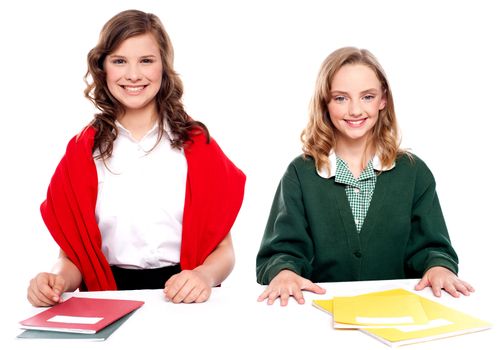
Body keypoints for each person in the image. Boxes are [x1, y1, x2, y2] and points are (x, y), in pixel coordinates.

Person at [27, 9, 245, 306]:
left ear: (163, 67)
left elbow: (224, 249)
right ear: (103, 67)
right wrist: (55, 280)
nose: (133, 75)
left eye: (146, 60)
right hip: (108, 296)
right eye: (119, 61)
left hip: (184, 295)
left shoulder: (198, 146)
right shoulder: (82, 152)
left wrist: (204, 276)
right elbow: (72, 257)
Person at [256, 47, 474, 306]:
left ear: (383, 99)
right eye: (341, 98)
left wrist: (438, 267)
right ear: (325, 102)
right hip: (318, 314)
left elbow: (432, 247)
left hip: (397, 313)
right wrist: (284, 273)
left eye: (367, 97)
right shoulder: (300, 174)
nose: (355, 110)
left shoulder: (414, 172)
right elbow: (283, 250)